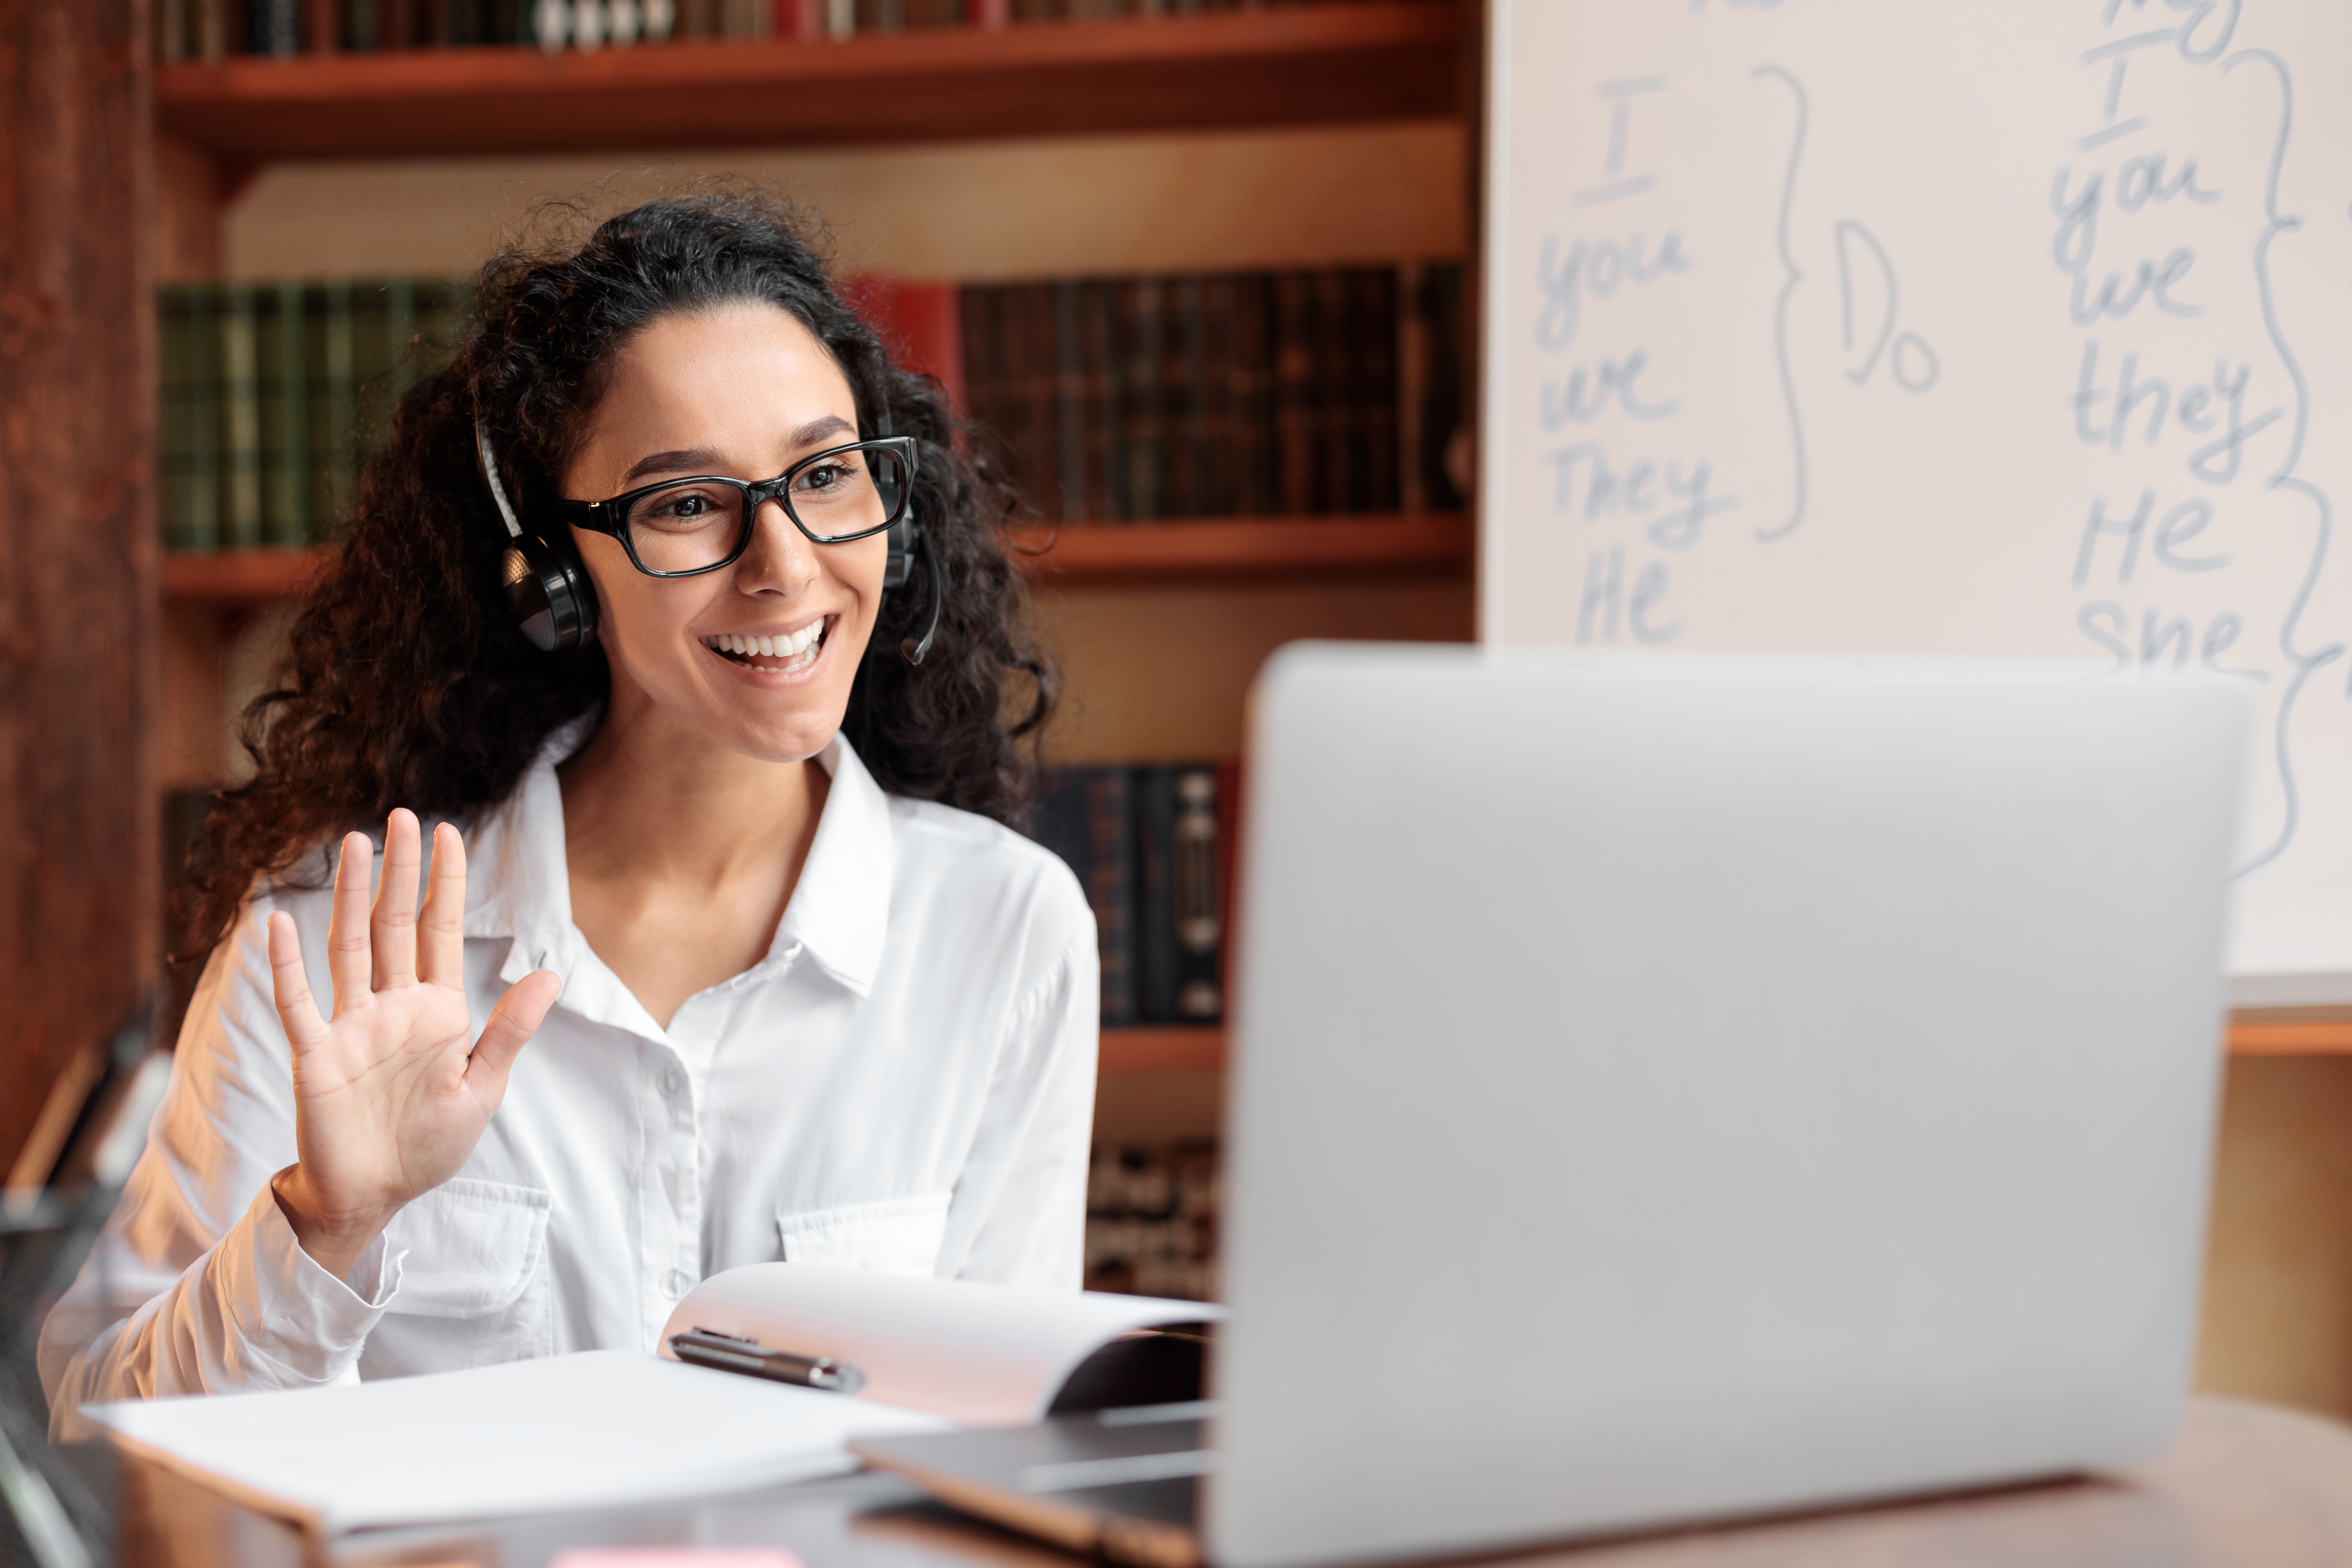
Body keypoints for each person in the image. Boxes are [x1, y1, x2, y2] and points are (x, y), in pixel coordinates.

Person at [40, 194, 1097, 1436]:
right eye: (687, 504)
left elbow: (1024, 1444)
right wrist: (324, 1229)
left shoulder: (1006, 930)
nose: (787, 565)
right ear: (553, 573)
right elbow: (86, 1430)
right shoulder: (334, 936)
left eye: (824, 475)